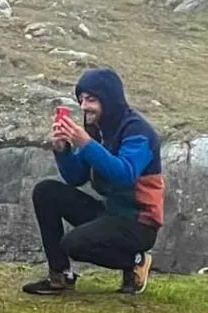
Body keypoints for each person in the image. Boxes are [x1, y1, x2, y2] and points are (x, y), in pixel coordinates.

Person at [23, 68, 164, 296]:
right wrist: (63, 150)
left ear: (109, 100)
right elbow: (76, 177)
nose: (84, 106)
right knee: (46, 192)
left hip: (138, 222)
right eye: (81, 99)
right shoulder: (97, 129)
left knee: (74, 244)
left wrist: (86, 144)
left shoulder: (138, 132)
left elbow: (125, 173)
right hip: (110, 213)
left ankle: (136, 261)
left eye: (91, 99)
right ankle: (60, 275)